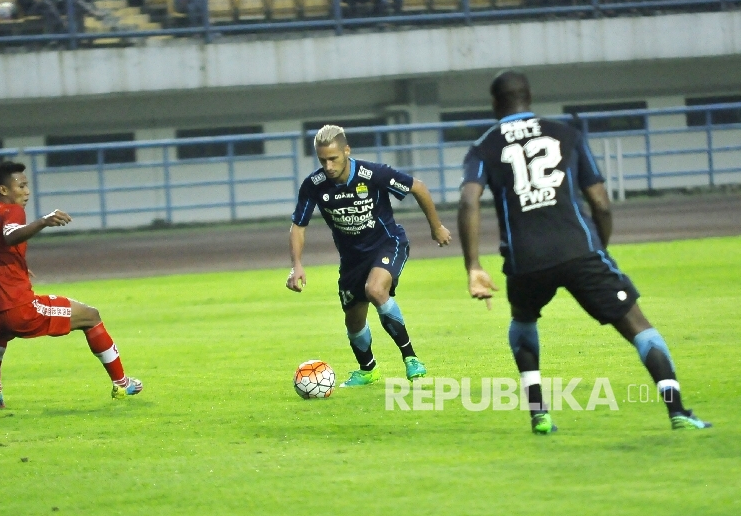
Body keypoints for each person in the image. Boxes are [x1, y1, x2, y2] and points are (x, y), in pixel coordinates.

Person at [457, 70, 711, 433]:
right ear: (529, 97)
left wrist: (473, 265)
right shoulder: (566, 134)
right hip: (580, 251)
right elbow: (601, 204)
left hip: (525, 259)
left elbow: (469, 201)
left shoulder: (484, 145)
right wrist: (598, 250)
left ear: (496, 104)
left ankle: (539, 413)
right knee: (639, 327)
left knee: (523, 322)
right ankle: (679, 412)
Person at [287, 125, 452, 387]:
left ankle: (411, 358)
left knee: (375, 290)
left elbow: (417, 187)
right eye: (322, 160)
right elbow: (299, 225)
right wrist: (296, 265)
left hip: (388, 244)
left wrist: (436, 227)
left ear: (347, 151)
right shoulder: (314, 185)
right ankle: (368, 369)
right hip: (352, 260)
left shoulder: (373, 174)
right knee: (354, 321)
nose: (328, 166)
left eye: (333, 159)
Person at [0, 161, 142, 409]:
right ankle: (122, 383)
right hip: (18, 308)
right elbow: (9, 235)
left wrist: (13, 266)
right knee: (91, 316)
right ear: (4, 190)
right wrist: (43, 221)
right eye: (21, 185)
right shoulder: (11, 211)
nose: (27, 191)